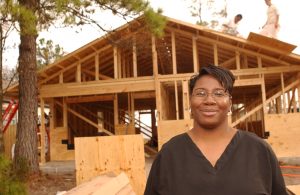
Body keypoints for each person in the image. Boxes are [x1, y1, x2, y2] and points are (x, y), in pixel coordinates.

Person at [144, 65, 287, 195]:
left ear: (230, 103)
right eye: (200, 93)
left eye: (219, 93)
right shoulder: (169, 154)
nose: (209, 100)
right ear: (190, 102)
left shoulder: (259, 150)